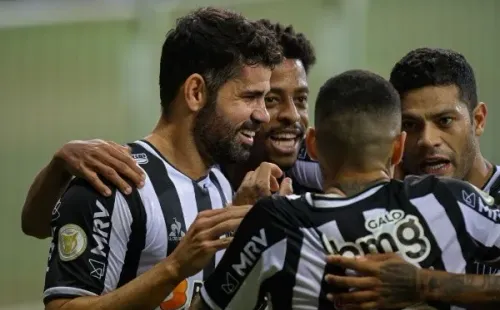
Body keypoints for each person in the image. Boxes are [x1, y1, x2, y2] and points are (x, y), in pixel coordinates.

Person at [188, 70, 500, 310]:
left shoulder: (276, 223)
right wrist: (427, 284)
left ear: (312, 144)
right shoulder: (452, 199)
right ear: (398, 147)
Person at [42, 7, 283, 310]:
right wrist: (174, 268)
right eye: (249, 97)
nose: (262, 115)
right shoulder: (114, 182)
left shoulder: (219, 183)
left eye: (264, 99)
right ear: (196, 92)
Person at [21, 19, 317, 239]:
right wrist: (60, 164)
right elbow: (38, 225)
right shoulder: (202, 153)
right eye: (267, 98)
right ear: (199, 93)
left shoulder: (315, 172)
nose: (282, 115)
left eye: (302, 99)